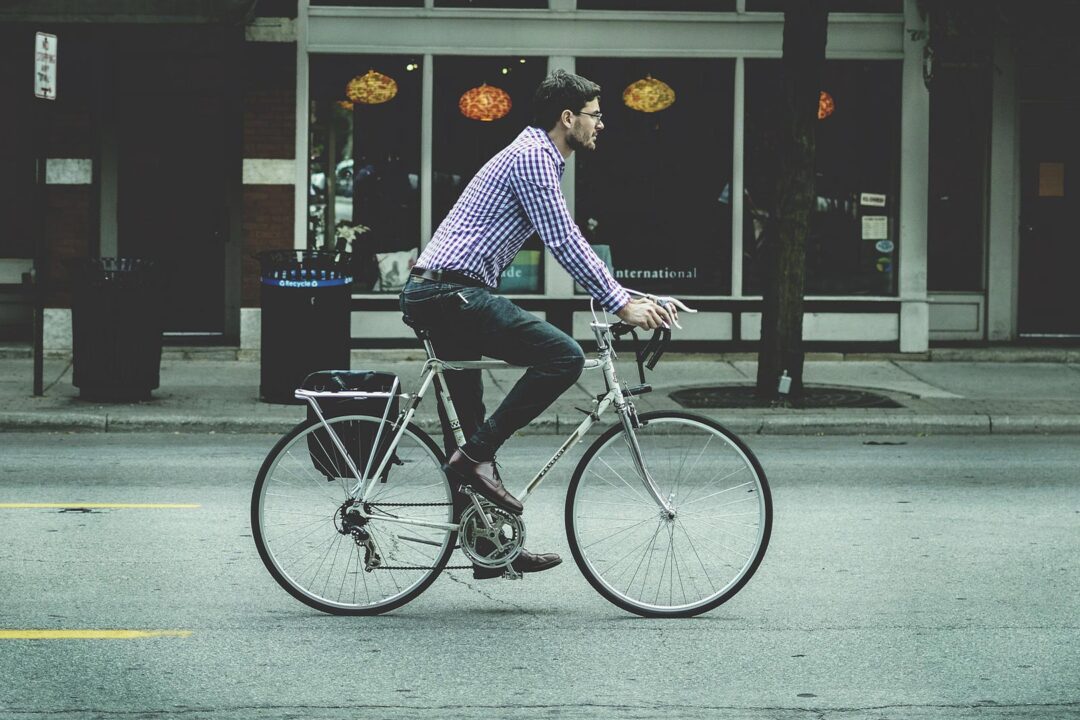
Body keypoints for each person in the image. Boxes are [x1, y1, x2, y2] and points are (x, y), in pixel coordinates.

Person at [399, 69, 675, 579]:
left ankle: (488, 544)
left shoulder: (538, 156)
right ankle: (473, 463)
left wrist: (636, 298)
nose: (601, 124)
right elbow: (564, 240)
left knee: (472, 422)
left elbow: (566, 241)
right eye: (595, 114)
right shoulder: (533, 159)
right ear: (567, 117)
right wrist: (620, 303)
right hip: (449, 293)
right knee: (563, 356)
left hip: (447, 291)